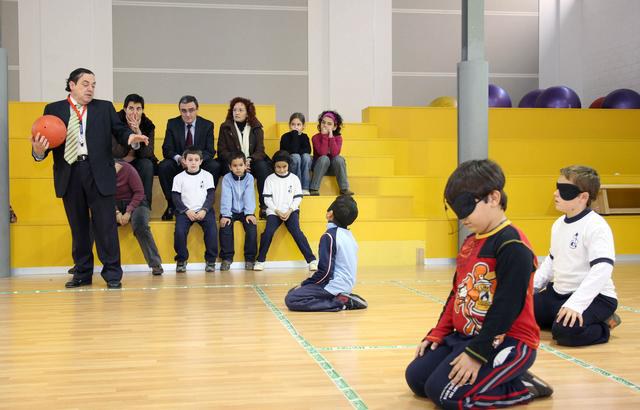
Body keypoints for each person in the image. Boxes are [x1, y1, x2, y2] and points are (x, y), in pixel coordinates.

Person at [405, 159, 553, 408]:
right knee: (417, 378)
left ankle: (519, 386)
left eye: (466, 208)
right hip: (466, 336)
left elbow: (507, 307)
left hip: (508, 341)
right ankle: (497, 376)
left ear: (493, 198)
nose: (462, 218)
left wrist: (476, 354)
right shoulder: (471, 242)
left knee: (444, 394)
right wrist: (439, 331)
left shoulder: (513, 245)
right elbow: (457, 293)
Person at [30, 67, 148, 289]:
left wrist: (131, 137)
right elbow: (45, 141)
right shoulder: (53, 109)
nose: (90, 88)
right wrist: (38, 151)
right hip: (70, 172)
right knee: (79, 227)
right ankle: (82, 273)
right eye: (85, 84)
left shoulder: (104, 108)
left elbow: (120, 130)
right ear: (72, 85)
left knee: (106, 226)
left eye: (93, 85)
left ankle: (112, 274)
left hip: (99, 172)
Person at [533, 165, 620, 347]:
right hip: (559, 294)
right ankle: (561, 318)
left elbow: (602, 268)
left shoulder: (596, 226)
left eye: (564, 190)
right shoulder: (558, 224)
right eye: (557, 187)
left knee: (565, 333)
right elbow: (552, 260)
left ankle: (605, 324)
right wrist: (530, 288)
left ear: (583, 197)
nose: (556, 193)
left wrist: (577, 304)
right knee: (518, 313)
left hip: (596, 297)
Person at [285, 195, 367, 311]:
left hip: (333, 285)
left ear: (329, 214)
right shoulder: (349, 235)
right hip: (346, 285)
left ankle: (340, 302)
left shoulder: (329, 236)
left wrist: (304, 284)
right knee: (295, 292)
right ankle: (343, 297)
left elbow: (325, 272)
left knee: (292, 298)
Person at [159, 95, 221, 221]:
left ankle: (205, 204)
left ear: (197, 109)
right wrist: (179, 159)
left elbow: (210, 151)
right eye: (184, 111)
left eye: (191, 110)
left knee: (215, 166)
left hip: (199, 164)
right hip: (180, 163)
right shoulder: (172, 124)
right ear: (180, 111)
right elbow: (167, 149)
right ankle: (171, 204)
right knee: (164, 166)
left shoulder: (207, 125)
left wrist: (195, 161)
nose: (188, 114)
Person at [253, 150, 317, 272]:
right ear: (274, 166)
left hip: (291, 211)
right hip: (274, 212)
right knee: (268, 232)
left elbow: (298, 198)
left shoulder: (294, 179)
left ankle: (312, 260)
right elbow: (267, 199)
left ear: (288, 165)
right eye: (278, 167)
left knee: (297, 232)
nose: (281, 170)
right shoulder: (269, 179)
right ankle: (260, 260)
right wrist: (277, 211)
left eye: (284, 167)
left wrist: (290, 210)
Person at [217, 97, 272, 219]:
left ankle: (264, 207)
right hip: (232, 162)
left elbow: (260, 150)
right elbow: (221, 151)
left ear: (248, 113)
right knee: (226, 169)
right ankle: (227, 211)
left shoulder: (256, 127)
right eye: (234, 110)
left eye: (241, 110)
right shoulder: (225, 127)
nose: (237, 113)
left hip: (251, 161)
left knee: (263, 167)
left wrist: (249, 160)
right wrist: (238, 163)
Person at [171, 147, 218, 273]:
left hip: (204, 211)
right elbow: (175, 197)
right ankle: (181, 260)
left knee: (212, 231)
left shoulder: (207, 176)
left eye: (196, 160)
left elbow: (211, 196)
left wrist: (204, 210)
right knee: (179, 232)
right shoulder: (178, 178)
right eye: (190, 160)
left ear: (201, 161)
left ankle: (211, 260)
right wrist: (186, 211)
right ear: (184, 161)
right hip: (185, 212)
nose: (193, 162)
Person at [114, 160, 163, 275]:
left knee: (141, 226)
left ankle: (155, 264)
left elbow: (139, 192)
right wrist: (116, 212)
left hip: (137, 203)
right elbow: (104, 195)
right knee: (94, 224)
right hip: (114, 205)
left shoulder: (128, 169)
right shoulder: (101, 173)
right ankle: (82, 265)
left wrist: (128, 212)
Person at [112, 93, 159, 208]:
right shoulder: (115, 122)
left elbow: (147, 153)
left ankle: (144, 206)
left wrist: (138, 133)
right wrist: (130, 135)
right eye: (131, 108)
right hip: (118, 159)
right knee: (115, 163)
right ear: (125, 109)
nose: (135, 112)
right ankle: (115, 207)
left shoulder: (148, 125)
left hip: (137, 160)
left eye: (138, 109)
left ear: (142, 110)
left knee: (147, 165)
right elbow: (116, 152)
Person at [218, 152, 258, 271]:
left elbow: (249, 196)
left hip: (245, 211)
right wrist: (226, 215)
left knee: (251, 228)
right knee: (225, 227)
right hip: (230, 210)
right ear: (230, 167)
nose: (238, 168)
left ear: (245, 165)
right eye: (235, 166)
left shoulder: (249, 178)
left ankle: (250, 259)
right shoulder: (227, 178)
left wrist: (249, 213)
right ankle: (227, 258)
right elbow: (226, 197)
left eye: (241, 165)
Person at [309, 110, 353, 196]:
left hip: (333, 169)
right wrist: (324, 136)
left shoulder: (338, 138)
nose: (325, 125)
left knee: (339, 159)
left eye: (329, 124)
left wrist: (331, 137)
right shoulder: (315, 138)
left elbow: (335, 153)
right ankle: (314, 188)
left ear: (334, 127)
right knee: (324, 158)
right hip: (320, 168)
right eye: (323, 122)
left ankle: (344, 188)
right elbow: (323, 153)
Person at [280, 112, 312, 195]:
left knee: (306, 157)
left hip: (302, 161)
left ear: (303, 126)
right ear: (289, 125)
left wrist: (299, 153)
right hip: (290, 162)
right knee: (296, 156)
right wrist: (295, 135)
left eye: (298, 124)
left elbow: (308, 150)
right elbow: (291, 151)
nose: (296, 127)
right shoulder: (285, 137)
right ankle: (297, 187)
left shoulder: (305, 136)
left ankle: (305, 187)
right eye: (293, 124)